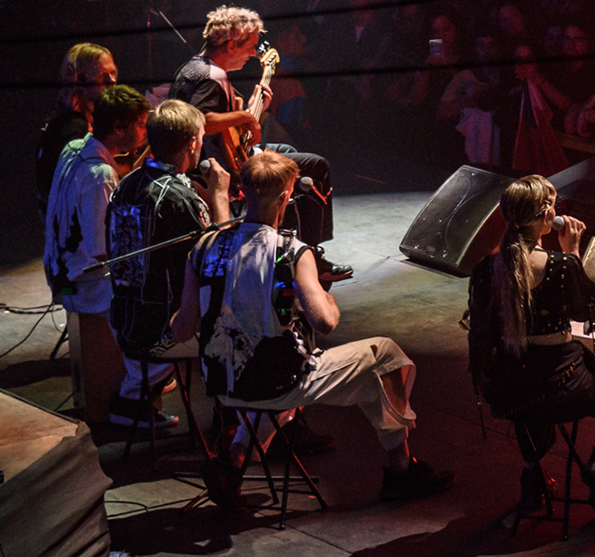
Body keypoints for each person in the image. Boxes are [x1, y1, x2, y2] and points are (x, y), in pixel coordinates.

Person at [169, 151, 452, 508]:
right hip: (277, 384)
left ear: (243, 192)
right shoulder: (290, 250)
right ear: (286, 197)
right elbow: (326, 322)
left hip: (222, 385)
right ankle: (400, 470)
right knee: (385, 355)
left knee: (289, 363)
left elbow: (181, 331)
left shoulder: (204, 247)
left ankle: (235, 457)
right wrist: (322, 295)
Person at [467, 176, 595, 517]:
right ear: (547, 217)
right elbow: (582, 312)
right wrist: (572, 253)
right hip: (563, 388)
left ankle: (532, 475)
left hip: (509, 390)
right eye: (555, 205)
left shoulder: (487, 269)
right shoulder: (560, 266)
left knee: (524, 374)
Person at [168, 5, 349, 277]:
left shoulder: (193, 68)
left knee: (286, 152)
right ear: (230, 45)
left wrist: (255, 110)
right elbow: (199, 120)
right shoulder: (211, 76)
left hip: (217, 158)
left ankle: (280, 239)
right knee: (315, 166)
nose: (254, 54)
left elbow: (227, 129)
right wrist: (245, 115)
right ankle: (310, 256)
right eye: (250, 47)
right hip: (218, 170)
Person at [105, 100, 234, 432]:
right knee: (240, 323)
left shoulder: (126, 184)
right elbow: (219, 260)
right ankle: (237, 426)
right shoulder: (178, 197)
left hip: (123, 321)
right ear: (192, 143)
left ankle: (136, 398)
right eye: (202, 137)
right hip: (160, 333)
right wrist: (220, 196)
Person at [44, 85, 151, 422]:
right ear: (119, 128)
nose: (145, 132)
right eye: (141, 125)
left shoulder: (76, 147)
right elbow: (102, 251)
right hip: (84, 284)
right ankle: (132, 396)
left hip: (60, 267)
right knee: (153, 298)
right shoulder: (100, 176)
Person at [36, 42, 116, 213]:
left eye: (113, 72)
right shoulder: (72, 130)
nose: (112, 81)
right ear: (79, 80)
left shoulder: (74, 120)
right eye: (102, 75)